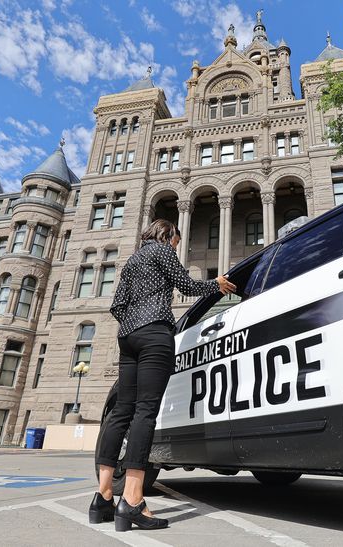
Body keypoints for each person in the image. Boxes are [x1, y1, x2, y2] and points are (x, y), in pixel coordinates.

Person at [90, 219, 237, 531]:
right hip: (155, 333)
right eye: (176, 242)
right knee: (145, 412)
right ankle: (131, 500)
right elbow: (186, 286)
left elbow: (117, 305)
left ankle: (102, 496)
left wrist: (134, 321)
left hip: (127, 337)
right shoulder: (162, 250)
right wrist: (217, 284)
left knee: (120, 413)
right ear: (169, 235)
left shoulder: (133, 260)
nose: (176, 247)